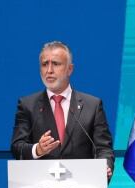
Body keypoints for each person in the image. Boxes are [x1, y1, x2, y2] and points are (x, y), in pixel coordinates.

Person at [11, 41, 114, 179]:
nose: (49, 70)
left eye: (56, 64)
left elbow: (103, 149)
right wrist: (37, 149)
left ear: (70, 69)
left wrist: (105, 166)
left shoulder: (92, 105)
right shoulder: (27, 105)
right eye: (44, 64)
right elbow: (17, 148)